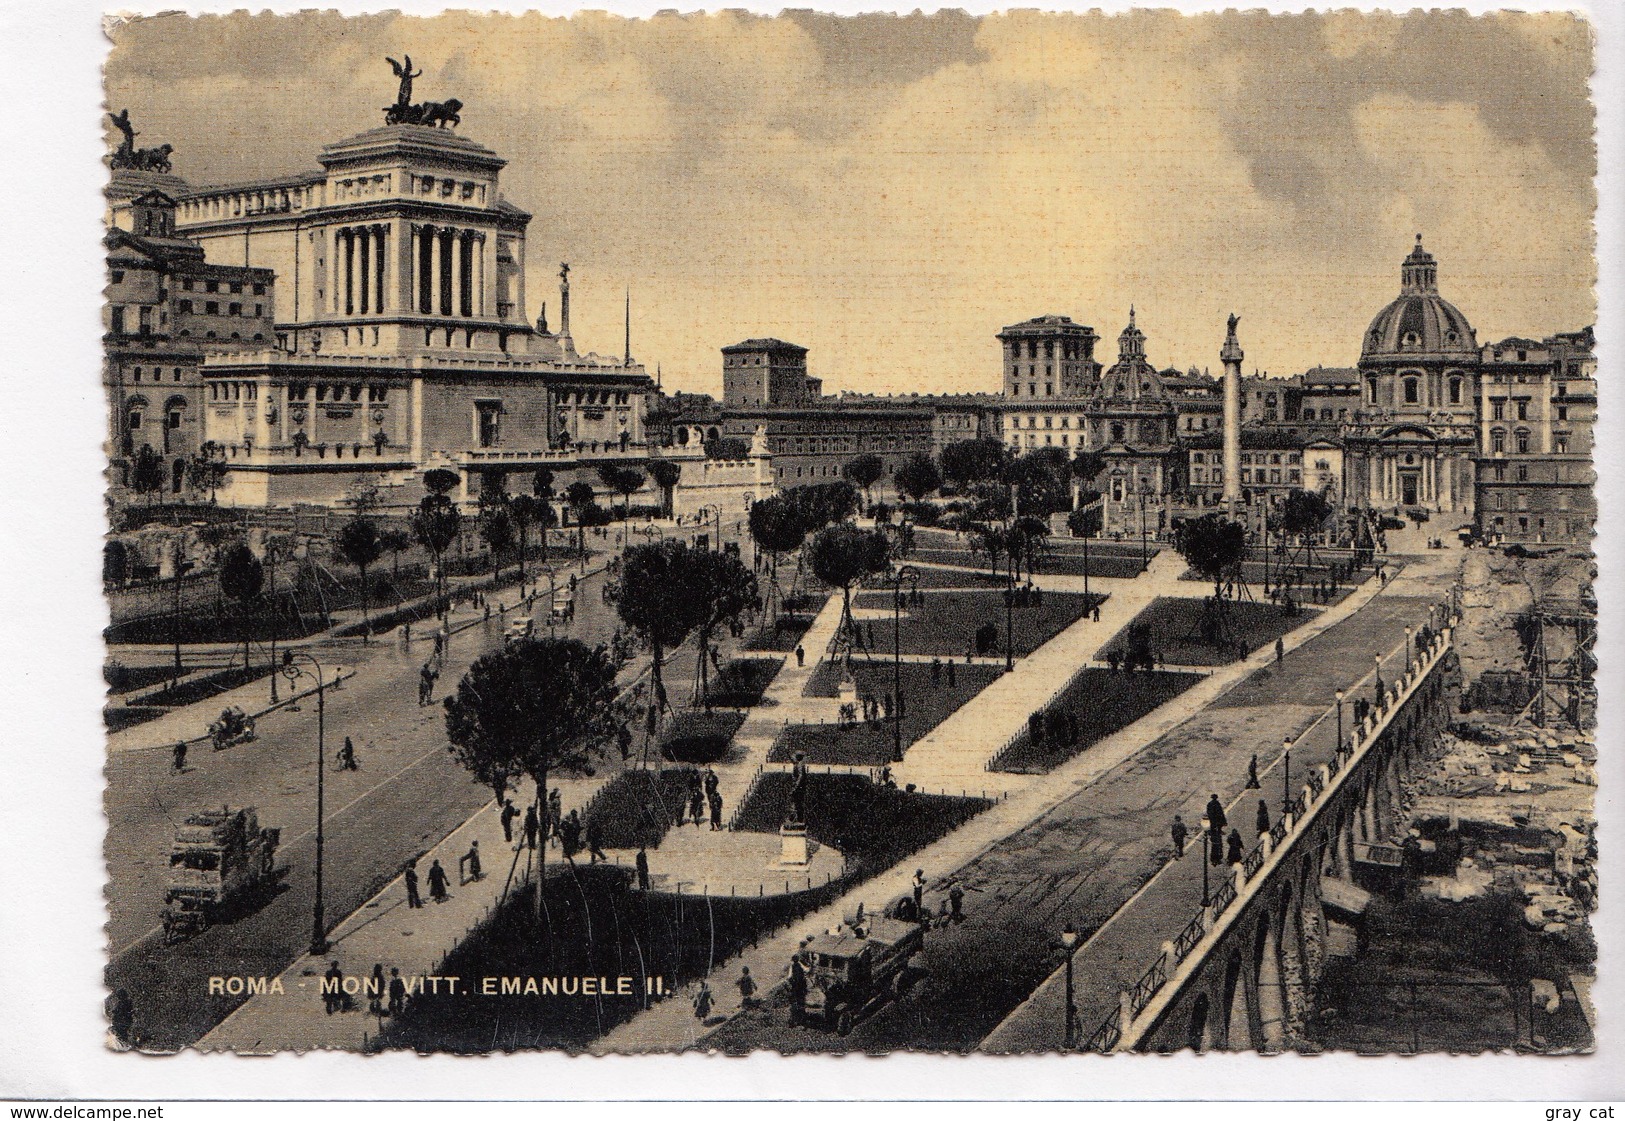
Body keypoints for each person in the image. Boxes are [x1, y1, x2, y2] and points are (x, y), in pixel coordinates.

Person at [788, 953, 809, 1025]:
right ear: (798, 959)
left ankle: (795, 1018)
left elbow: (789, 977)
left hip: (795, 986)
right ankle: (802, 1017)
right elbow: (807, 970)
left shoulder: (792, 966)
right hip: (801, 985)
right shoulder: (800, 965)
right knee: (801, 1000)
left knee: (795, 1000)